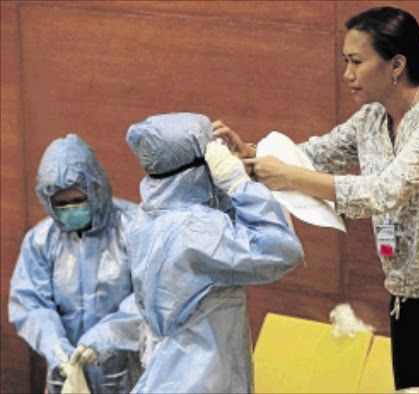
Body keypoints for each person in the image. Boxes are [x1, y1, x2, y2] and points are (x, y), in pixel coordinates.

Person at [212, 6, 419, 390]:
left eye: (356, 62)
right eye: (345, 62)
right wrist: (249, 155)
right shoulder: (372, 117)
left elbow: (383, 192)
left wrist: (291, 177)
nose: (347, 75)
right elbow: (313, 154)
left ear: (396, 64)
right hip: (407, 298)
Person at [124, 112, 304, 393]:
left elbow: (217, 221)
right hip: (201, 376)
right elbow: (281, 250)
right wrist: (237, 184)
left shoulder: (150, 216)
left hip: (174, 369)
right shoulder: (194, 228)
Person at [9, 134, 143, 393]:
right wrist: (55, 347)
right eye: (61, 204)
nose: (71, 209)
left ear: (96, 190)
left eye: (78, 200)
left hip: (127, 375)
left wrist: (106, 337)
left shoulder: (135, 228)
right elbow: (30, 303)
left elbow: (151, 297)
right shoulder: (41, 240)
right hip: (65, 376)